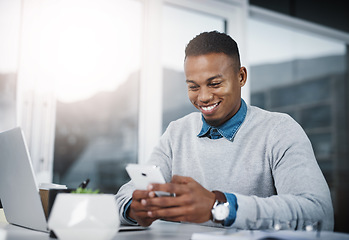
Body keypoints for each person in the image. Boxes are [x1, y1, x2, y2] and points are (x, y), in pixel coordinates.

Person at [115, 31, 334, 230]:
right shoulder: (177, 132)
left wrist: (220, 206)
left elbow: (317, 213)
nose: (203, 97)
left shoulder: (279, 130)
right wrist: (135, 208)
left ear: (241, 77)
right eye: (193, 86)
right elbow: (126, 194)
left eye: (214, 83)